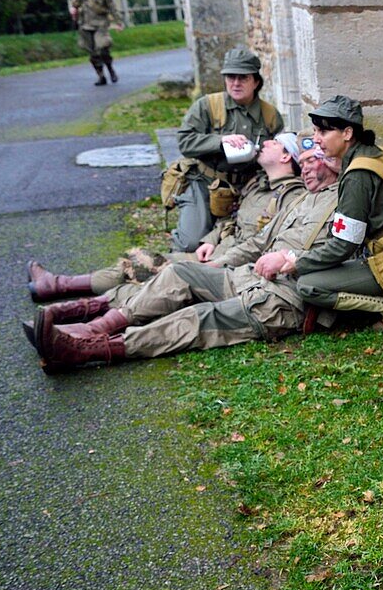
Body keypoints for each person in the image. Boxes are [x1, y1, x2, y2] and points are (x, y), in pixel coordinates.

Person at [27, 140, 339, 372]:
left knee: (197, 316)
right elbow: (254, 237)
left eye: (313, 159)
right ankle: (92, 326)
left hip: (282, 298)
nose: (305, 165)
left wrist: (289, 258)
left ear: (334, 163)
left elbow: (338, 253)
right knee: (176, 274)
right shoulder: (298, 199)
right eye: (305, 160)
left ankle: (85, 349)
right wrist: (214, 247)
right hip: (248, 275)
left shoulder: (333, 200)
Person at [25, 131, 308, 309]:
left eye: (272, 142)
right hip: (218, 253)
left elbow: (262, 243)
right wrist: (211, 240)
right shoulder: (258, 184)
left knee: (147, 271)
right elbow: (231, 221)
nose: (263, 143)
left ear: (285, 155)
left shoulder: (289, 197)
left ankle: (64, 293)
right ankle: (59, 289)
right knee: (140, 263)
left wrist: (219, 261)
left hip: (230, 267)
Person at [283, 95, 383, 335]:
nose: (316, 139)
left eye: (323, 132)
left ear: (347, 133)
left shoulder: (357, 175)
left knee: (308, 286)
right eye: (315, 132)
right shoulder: (378, 153)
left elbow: (344, 244)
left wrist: (299, 263)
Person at [171, 48, 285, 253]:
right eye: (230, 77)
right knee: (189, 243)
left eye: (243, 77)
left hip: (248, 187)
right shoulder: (207, 106)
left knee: (248, 240)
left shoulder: (270, 116)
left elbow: (278, 156)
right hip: (205, 182)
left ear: (256, 82)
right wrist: (221, 141)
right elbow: (185, 142)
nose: (236, 83)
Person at [68, 0, 122, 86]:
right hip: (84, 23)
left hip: (100, 23)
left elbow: (111, 4)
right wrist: (72, 9)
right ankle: (101, 76)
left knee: (102, 48)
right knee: (92, 53)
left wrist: (118, 21)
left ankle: (110, 69)